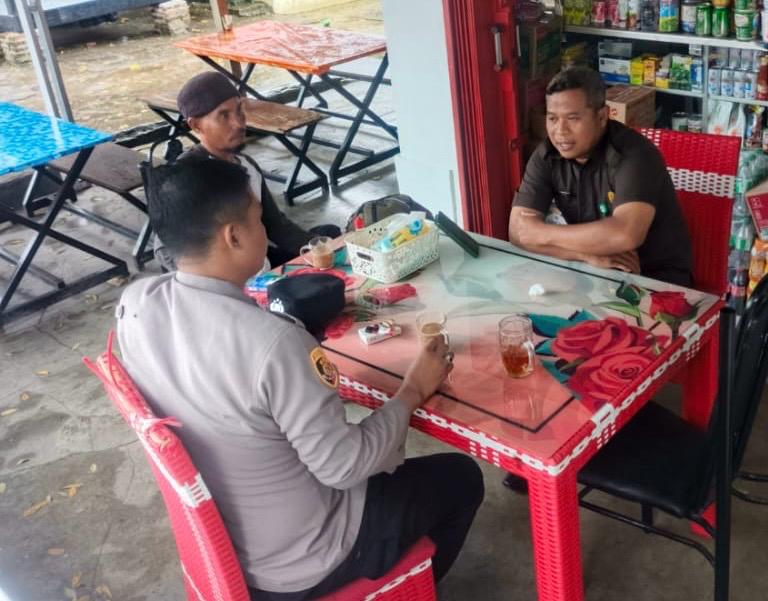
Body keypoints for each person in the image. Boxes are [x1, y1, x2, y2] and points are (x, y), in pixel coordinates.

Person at [117, 159, 484, 600]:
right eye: (258, 219)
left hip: (225, 547)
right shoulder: (274, 344)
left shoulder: (135, 303)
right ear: (233, 236)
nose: (264, 229)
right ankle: (404, 591)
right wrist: (413, 390)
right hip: (305, 560)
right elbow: (344, 467)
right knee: (461, 477)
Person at [509, 66, 693, 287]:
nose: (560, 131)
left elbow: (625, 234)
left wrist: (540, 233)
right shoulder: (546, 155)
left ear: (602, 116)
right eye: (552, 118)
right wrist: (585, 256)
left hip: (653, 281)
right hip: (593, 272)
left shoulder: (635, 155)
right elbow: (517, 233)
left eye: (573, 118)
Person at [154, 71, 340, 270]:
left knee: (330, 236)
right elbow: (164, 250)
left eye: (239, 111)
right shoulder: (185, 179)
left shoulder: (246, 164)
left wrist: (321, 249)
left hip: (260, 263)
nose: (238, 123)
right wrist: (220, 280)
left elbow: (276, 226)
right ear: (196, 125)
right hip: (230, 279)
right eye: (223, 115)